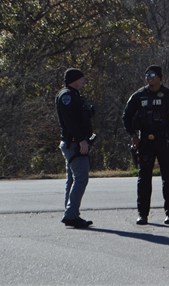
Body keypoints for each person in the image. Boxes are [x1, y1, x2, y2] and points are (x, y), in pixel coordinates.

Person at [122, 65, 169, 226]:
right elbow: (126, 117)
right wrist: (133, 135)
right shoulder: (139, 96)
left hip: (164, 141)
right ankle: (142, 214)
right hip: (145, 141)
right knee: (144, 178)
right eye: (147, 75)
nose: (149, 78)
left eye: (152, 75)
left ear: (160, 77)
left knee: (168, 178)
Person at [55, 68, 95, 228]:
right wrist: (81, 141)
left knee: (72, 180)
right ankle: (71, 215)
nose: (83, 81)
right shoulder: (67, 96)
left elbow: (77, 117)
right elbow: (69, 121)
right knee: (81, 179)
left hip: (74, 142)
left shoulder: (73, 95)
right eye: (81, 78)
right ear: (74, 79)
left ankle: (69, 212)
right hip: (74, 143)